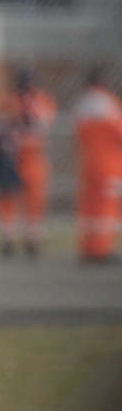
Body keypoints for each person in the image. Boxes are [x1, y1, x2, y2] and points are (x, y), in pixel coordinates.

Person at [0, 69, 55, 258]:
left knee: (34, 198)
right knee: (8, 196)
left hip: (33, 155)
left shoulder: (41, 102)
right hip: (13, 156)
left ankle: (32, 237)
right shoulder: (9, 102)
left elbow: (43, 125)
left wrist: (27, 116)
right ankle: (8, 236)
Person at [73, 66, 122, 264]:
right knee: (105, 207)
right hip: (108, 164)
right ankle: (102, 250)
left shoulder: (82, 104)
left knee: (88, 208)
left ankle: (88, 248)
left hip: (87, 164)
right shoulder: (110, 104)